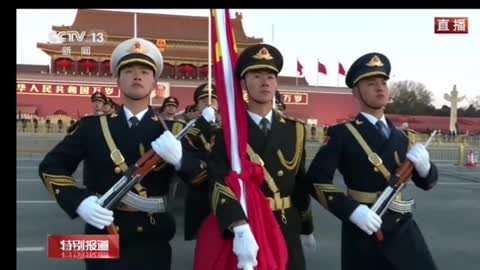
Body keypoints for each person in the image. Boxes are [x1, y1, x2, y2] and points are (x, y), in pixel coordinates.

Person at [38, 37, 205, 270]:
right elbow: (51, 167)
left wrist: (181, 159)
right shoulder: (92, 127)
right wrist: (79, 202)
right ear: (117, 80)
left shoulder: (172, 131)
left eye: (145, 71)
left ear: (155, 82)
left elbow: (203, 178)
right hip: (102, 232)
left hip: (152, 236)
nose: (137, 76)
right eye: (128, 70)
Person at [306, 52, 438, 270]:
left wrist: (426, 169)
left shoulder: (404, 137)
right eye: (371, 83)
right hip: (364, 229)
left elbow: (427, 183)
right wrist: (351, 211)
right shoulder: (342, 133)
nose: (380, 88)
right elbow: (316, 180)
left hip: (402, 229)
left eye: (384, 82)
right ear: (356, 92)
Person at [206, 43, 316, 270]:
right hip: (249, 225)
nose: (265, 82)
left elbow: (299, 184)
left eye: (270, 76)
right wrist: (237, 224)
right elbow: (217, 181)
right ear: (244, 83)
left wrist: (307, 228)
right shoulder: (228, 133)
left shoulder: (295, 130)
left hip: (287, 225)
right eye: (256, 75)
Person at [181, 82, 218, 241]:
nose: (209, 104)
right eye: (204, 101)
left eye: (213, 100)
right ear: (197, 106)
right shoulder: (190, 130)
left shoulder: (229, 125)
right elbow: (187, 156)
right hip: (201, 191)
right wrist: (204, 123)